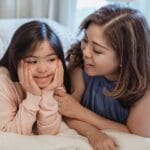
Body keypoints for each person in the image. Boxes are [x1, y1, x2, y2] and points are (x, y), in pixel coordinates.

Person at [54, 4, 150, 150]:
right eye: (85, 40)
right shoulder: (81, 65)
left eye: (97, 50)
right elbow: (68, 111)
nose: (86, 52)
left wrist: (82, 113)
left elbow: (136, 134)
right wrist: (92, 133)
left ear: (125, 58)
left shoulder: (143, 87)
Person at [0, 20, 71, 135]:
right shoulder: (3, 83)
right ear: (16, 61)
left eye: (51, 59)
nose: (43, 69)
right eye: (33, 61)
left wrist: (48, 93)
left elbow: (49, 133)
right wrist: (32, 96)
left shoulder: (54, 78)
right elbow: (9, 136)